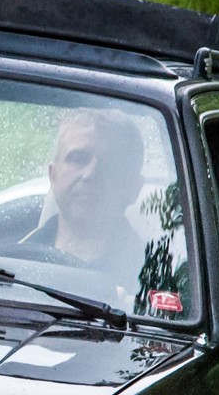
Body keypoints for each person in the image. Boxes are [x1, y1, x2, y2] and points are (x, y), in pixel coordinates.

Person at [11, 107, 146, 273]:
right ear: (53, 175)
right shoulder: (13, 263)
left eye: (109, 164)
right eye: (78, 159)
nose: (90, 174)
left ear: (134, 188)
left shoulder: (156, 276)